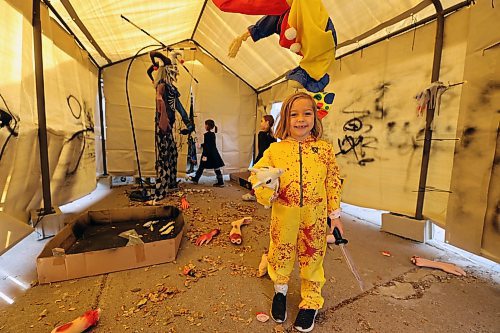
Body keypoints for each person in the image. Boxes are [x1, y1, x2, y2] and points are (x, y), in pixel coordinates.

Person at [249, 92, 343, 332]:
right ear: (285, 119)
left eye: (307, 113)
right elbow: (256, 175)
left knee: (313, 257)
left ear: (315, 117)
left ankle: (311, 302)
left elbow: (332, 182)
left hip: (315, 218)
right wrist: (267, 186)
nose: (301, 119)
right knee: (280, 253)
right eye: (294, 114)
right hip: (284, 217)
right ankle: (280, 292)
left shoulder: (324, 150)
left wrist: (336, 217)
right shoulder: (274, 151)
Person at [242, 115, 276, 201]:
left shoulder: (262, 134)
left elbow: (262, 150)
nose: (260, 123)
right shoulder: (273, 137)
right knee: (266, 179)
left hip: (263, 159)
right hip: (271, 160)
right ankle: (257, 194)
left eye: (262, 121)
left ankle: (253, 194)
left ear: (267, 123)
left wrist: (257, 162)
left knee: (257, 178)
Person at [188, 119, 225, 187]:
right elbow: (209, 144)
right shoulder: (213, 134)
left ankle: (196, 179)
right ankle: (220, 181)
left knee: (202, 166)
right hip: (214, 154)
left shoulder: (207, 135)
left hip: (208, 154)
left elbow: (208, 146)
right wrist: (201, 145)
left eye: (205, 125)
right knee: (216, 167)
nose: (204, 126)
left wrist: (205, 155)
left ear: (207, 126)